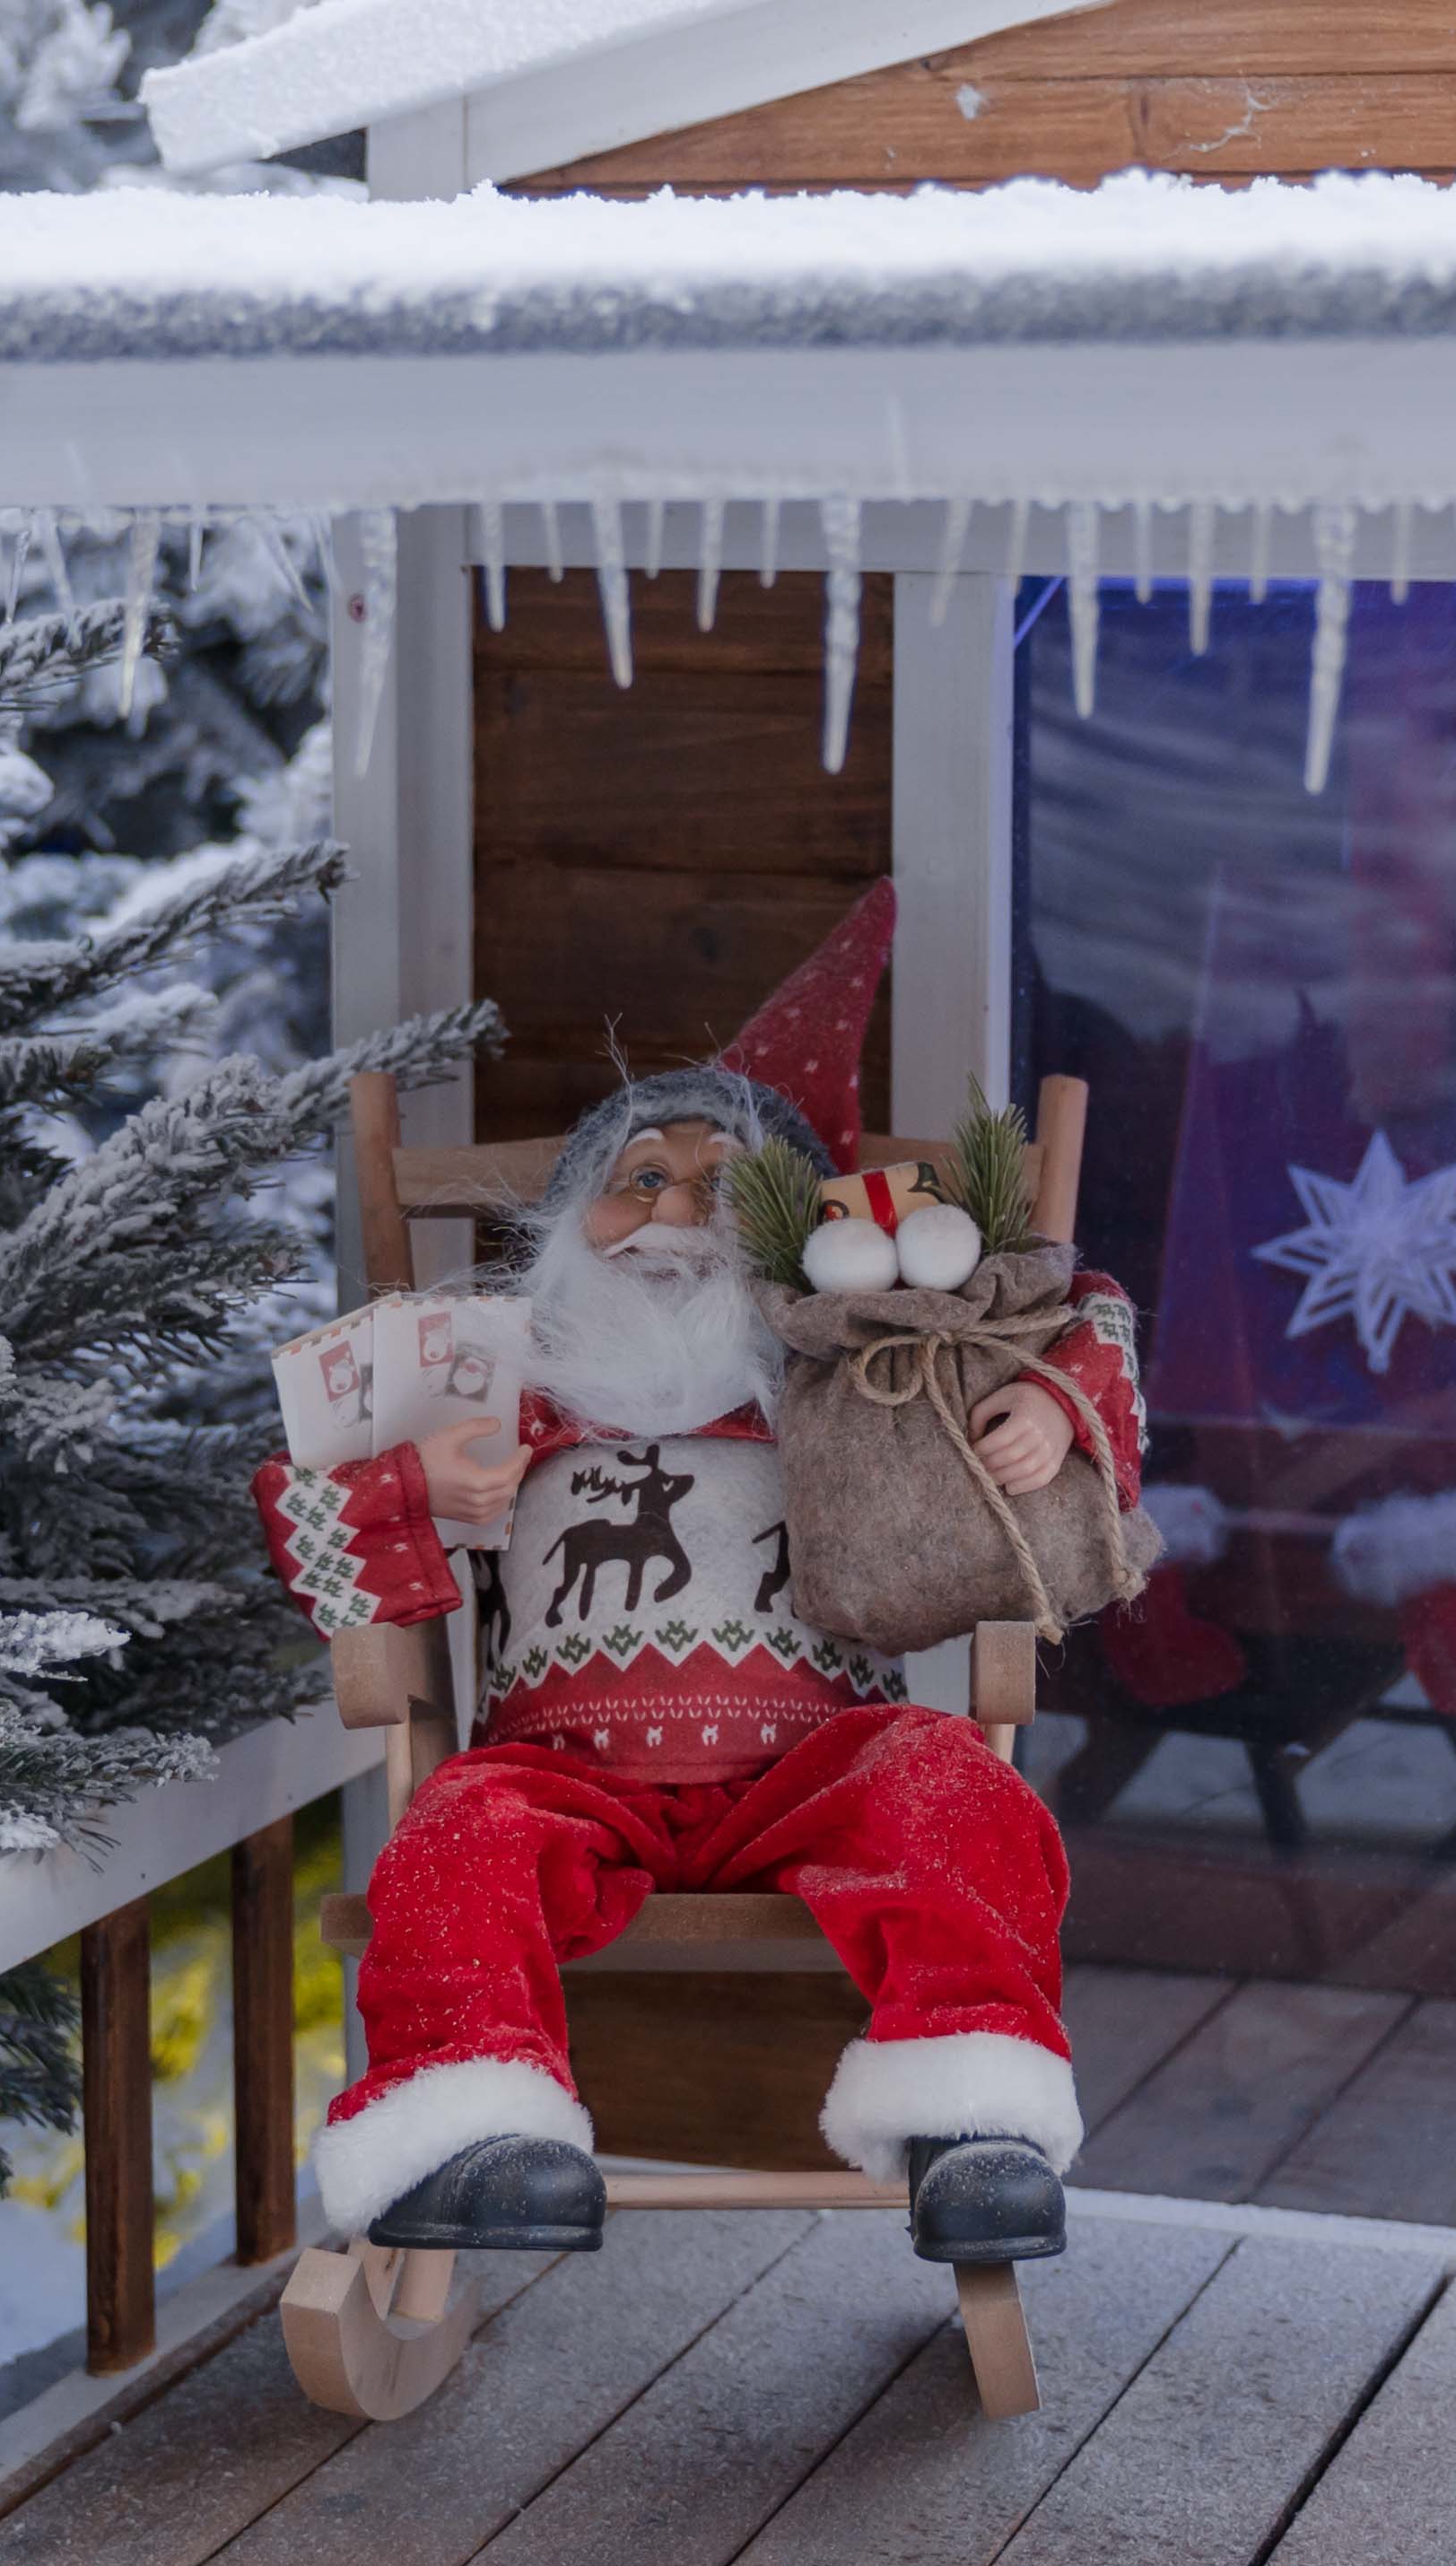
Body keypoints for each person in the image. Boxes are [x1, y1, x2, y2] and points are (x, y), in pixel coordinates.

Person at [256, 947, 1142, 2266]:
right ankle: (471, 2128)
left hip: (818, 1765)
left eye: (723, 1187)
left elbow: (1083, 1312)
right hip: (559, 1773)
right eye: (639, 1182)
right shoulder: (502, 1383)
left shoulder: (849, 1374)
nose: (676, 1214)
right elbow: (299, 1513)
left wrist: (1053, 1402)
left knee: (952, 1787)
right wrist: (416, 1482)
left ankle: (974, 2115)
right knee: (458, 1835)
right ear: (572, 1223)